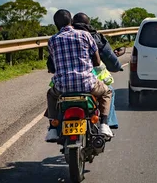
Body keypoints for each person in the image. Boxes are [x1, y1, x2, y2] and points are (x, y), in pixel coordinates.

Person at [45, 9, 113, 142]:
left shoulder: (52, 40)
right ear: (71, 21)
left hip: (62, 87)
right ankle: (104, 124)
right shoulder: (84, 35)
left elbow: (53, 63)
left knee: (51, 95)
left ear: (56, 25)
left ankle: (53, 129)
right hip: (87, 85)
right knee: (107, 92)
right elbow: (97, 61)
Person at [71, 12, 123, 129]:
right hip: (89, 82)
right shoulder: (93, 37)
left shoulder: (63, 37)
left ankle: (54, 128)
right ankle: (107, 124)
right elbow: (103, 59)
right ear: (88, 23)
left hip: (64, 84)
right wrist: (116, 66)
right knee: (109, 91)